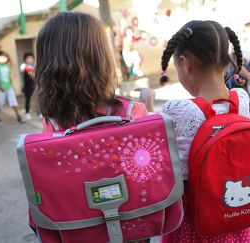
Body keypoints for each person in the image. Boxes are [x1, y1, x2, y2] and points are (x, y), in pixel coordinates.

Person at [31, 11, 147, 234]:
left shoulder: (52, 121)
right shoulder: (131, 111)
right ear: (101, 57)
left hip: (75, 228)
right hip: (131, 225)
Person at [159, 20, 250, 242]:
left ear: (185, 64)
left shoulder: (178, 110)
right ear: (226, 62)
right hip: (240, 216)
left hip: (198, 222)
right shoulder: (241, 100)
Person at [0, 51, 25, 124]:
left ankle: (18, 117)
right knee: (0, 103)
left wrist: (10, 84)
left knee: (13, 101)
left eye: (5, 56)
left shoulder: (7, 66)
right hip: (1, 89)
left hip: (9, 87)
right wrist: (0, 87)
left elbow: (8, 76)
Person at [19, 52, 41, 120]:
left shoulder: (35, 66)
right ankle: (27, 113)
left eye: (31, 58)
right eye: (28, 58)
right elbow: (22, 70)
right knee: (28, 100)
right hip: (27, 87)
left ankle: (39, 113)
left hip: (35, 86)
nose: (30, 60)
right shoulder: (23, 66)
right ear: (25, 59)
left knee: (37, 100)